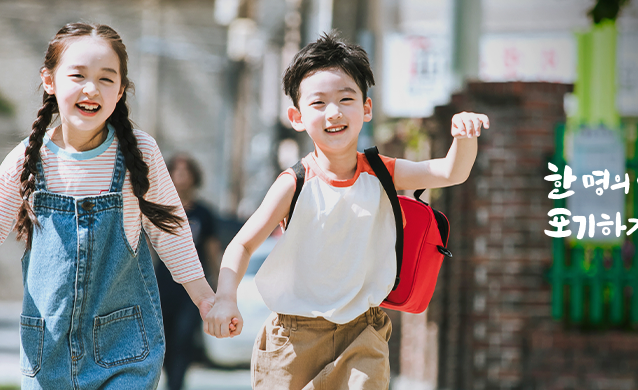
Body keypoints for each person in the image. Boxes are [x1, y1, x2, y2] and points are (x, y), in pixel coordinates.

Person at [203, 32, 490, 389]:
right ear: (296, 116)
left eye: (346, 98)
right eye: (319, 102)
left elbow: (452, 172)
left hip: (363, 331)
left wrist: (465, 137)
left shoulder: (382, 171)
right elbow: (241, 245)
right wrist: (226, 298)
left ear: (366, 108)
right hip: (294, 338)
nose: (334, 112)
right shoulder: (295, 182)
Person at [0, 23, 216, 390]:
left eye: (106, 79)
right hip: (48, 350)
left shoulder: (138, 152)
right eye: (77, 75)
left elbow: (170, 231)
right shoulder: (30, 158)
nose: (91, 89)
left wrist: (206, 300)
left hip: (126, 346)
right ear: (50, 80)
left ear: (120, 90)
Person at [156, 153, 223, 390]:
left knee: (184, 338)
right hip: (162, 285)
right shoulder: (160, 209)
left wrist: (218, 284)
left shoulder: (203, 213)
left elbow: (212, 250)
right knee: (163, 340)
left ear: (194, 177)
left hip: (192, 289)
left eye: (186, 171)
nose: (181, 176)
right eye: (177, 170)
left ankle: (176, 384)